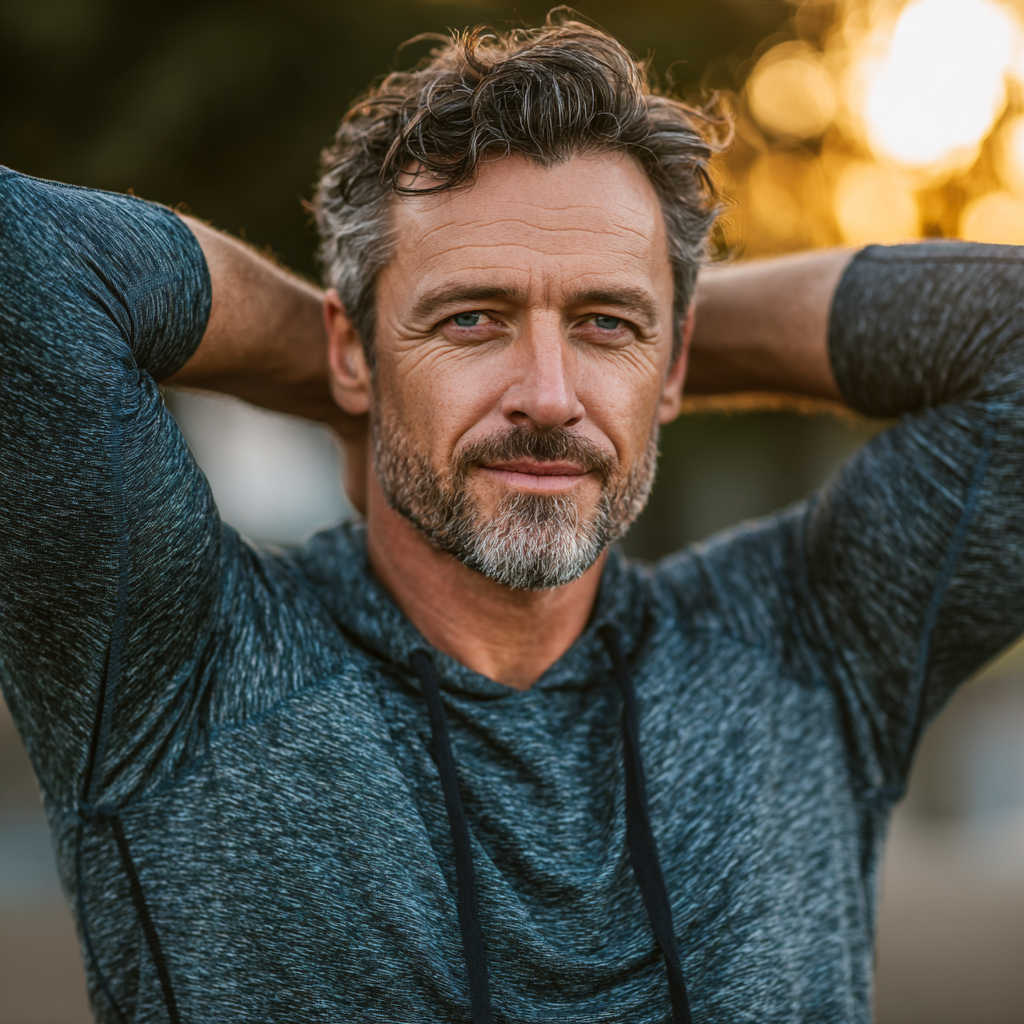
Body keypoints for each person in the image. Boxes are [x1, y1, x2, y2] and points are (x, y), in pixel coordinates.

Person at [2, 15, 1022, 1024]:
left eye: (604, 325)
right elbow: (38, 264)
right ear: (351, 349)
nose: (546, 394)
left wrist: (654, 332)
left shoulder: (812, 648)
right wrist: (334, 379)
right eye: (471, 318)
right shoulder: (174, 667)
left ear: (672, 362)